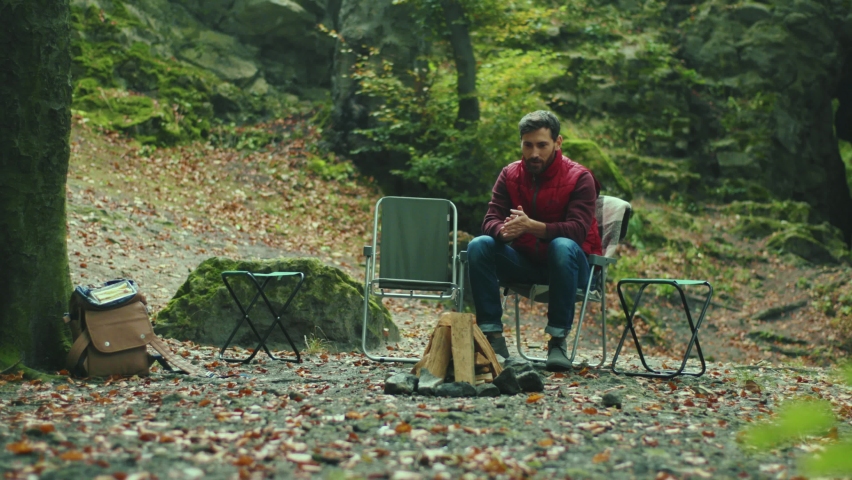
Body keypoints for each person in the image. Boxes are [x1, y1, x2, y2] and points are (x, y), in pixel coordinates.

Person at [467, 110, 602, 371]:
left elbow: (577, 231)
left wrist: (532, 227)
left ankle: (557, 342)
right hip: (526, 263)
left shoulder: (580, 177)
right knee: (479, 245)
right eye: (527, 145)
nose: (534, 153)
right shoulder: (510, 174)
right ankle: (492, 339)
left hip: (574, 269)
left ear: (558, 142)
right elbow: (490, 219)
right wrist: (503, 232)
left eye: (542, 145)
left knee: (561, 245)